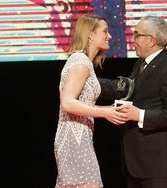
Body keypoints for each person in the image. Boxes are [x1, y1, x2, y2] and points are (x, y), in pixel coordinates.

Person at [99, 16, 167, 188]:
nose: (132, 40)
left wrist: (138, 114)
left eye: (136, 35)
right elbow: (124, 89)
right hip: (139, 164)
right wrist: (90, 81)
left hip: (159, 166)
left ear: (152, 40)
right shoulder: (141, 64)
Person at [54, 14, 128, 188]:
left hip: (79, 138)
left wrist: (109, 108)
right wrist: (105, 111)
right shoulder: (80, 62)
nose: (109, 36)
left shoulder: (84, 62)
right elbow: (67, 102)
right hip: (73, 139)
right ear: (90, 34)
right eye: (105, 31)